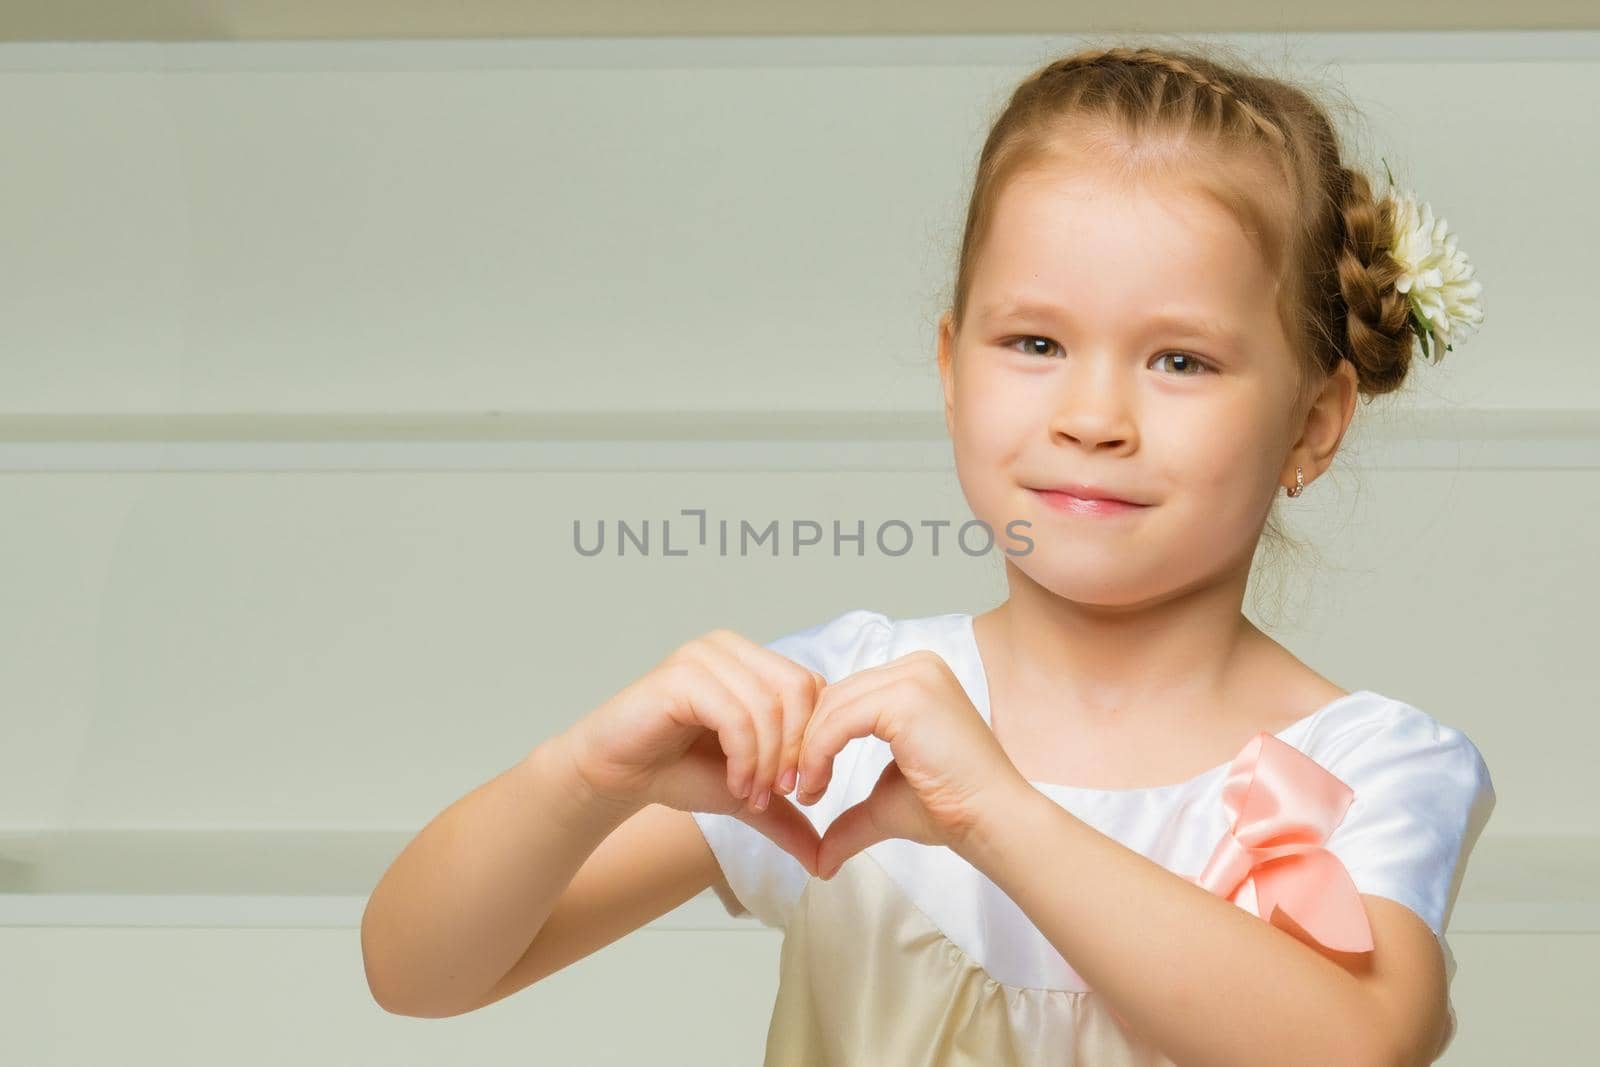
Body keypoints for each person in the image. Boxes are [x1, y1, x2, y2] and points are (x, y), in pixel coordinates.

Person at [360, 40, 1494, 1066]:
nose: (1091, 414)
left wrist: (994, 811)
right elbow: (416, 974)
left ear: (1313, 421)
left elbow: (1354, 1044)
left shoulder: (1362, 762)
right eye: (1035, 341)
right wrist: (580, 776)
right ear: (951, 371)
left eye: (1181, 361)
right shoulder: (852, 703)